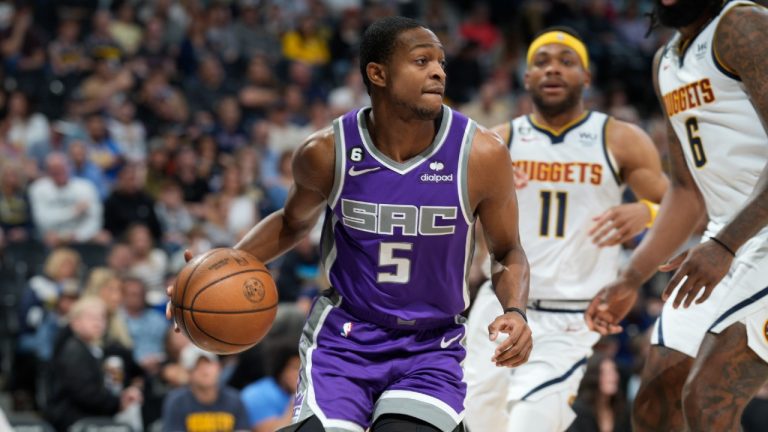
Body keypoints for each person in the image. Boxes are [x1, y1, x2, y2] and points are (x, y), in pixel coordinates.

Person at [168, 16, 532, 432]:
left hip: (430, 345)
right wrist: (207, 274)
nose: (438, 71)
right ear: (377, 73)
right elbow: (290, 224)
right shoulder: (326, 151)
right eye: (421, 60)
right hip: (344, 339)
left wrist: (517, 311)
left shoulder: (481, 154)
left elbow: (507, 251)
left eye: (441, 62)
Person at [464, 27, 667, 432]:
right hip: (499, 307)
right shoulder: (497, 142)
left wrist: (646, 210)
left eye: (566, 61)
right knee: (475, 421)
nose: (553, 69)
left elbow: (680, 205)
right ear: (525, 78)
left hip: (572, 316)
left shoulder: (620, 139)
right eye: (541, 62)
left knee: (530, 424)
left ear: (586, 77)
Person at [585, 1, 768, 431]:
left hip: (744, 238)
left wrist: (723, 245)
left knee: (708, 401)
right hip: (732, 237)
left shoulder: (743, 26)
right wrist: (632, 277)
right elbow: (686, 190)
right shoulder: (665, 61)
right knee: (655, 404)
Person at [161, 345, 249, 432]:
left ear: (218, 367)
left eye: (208, 364)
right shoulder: (177, 402)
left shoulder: (235, 399)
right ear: (188, 373)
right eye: (197, 366)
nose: (204, 371)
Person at [241, 337, 300, 432]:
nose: (301, 373)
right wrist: (297, 399)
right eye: (295, 368)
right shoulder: (256, 394)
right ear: (282, 369)